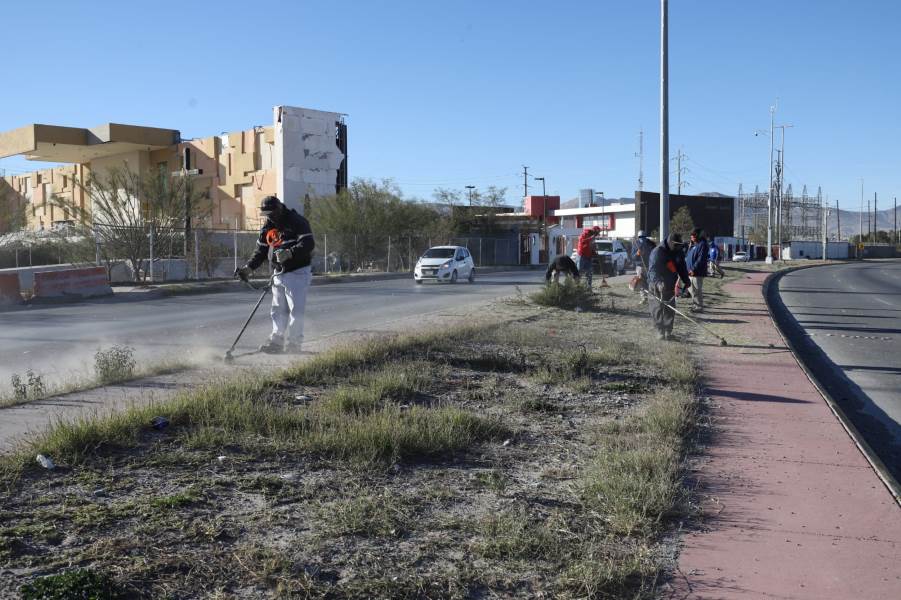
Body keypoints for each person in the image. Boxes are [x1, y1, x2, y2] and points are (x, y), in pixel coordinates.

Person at [234, 195, 315, 353]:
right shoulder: (268, 227)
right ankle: (276, 342)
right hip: (279, 273)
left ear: (279, 209)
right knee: (278, 309)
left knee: (296, 310)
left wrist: (290, 253)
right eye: (267, 215)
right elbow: (261, 251)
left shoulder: (297, 221)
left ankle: (294, 344)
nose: (269, 217)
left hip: (298, 271)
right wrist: (248, 268)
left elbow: (308, 243)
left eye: (271, 214)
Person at [647, 232, 691, 341]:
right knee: (657, 308)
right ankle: (659, 331)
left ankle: (668, 332)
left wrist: (686, 280)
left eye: (680, 246)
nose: (679, 248)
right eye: (677, 245)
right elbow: (653, 270)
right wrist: (658, 282)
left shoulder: (678, 251)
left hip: (670, 284)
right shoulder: (657, 252)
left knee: (670, 309)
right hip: (656, 285)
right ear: (671, 243)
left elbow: (681, 267)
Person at [685, 228, 709, 312]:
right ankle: (695, 305)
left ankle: (699, 307)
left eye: (693, 235)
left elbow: (701, 259)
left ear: (698, 235)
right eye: (691, 235)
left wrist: (693, 269)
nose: (691, 236)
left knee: (697, 290)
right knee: (691, 290)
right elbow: (687, 256)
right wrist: (690, 247)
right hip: (690, 272)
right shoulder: (694, 245)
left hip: (697, 272)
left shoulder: (703, 244)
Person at [631, 230, 656, 304]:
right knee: (641, 283)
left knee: (650, 282)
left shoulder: (650, 243)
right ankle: (644, 298)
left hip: (649, 266)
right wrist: (637, 254)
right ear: (638, 237)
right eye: (640, 237)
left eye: (643, 236)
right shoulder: (636, 244)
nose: (642, 238)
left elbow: (655, 253)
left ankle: (651, 297)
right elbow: (632, 257)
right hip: (640, 267)